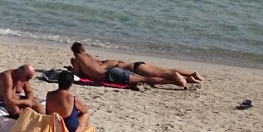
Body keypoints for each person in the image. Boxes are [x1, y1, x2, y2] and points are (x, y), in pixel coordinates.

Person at [70, 42, 202, 87]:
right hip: (123, 68)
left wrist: (72, 67)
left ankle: (174, 79)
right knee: (162, 71)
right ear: (83, 49)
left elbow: (76, 74)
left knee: (147, 79)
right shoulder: (90, 58)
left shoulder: (78, 58)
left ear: (75, 52)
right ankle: (186, 77)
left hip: (115, 74)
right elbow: (98, 67)